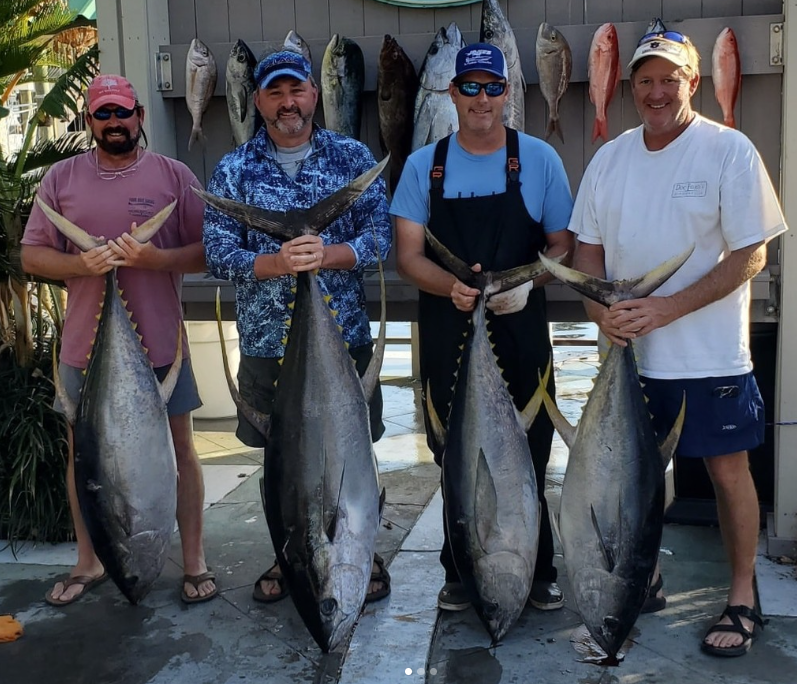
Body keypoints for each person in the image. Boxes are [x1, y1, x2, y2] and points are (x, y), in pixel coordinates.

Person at [568, 30, 786, 657]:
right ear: (631, 87)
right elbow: (588, 255)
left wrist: (666, 308)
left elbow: (752, 255)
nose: (657, 92)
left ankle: (742, 595)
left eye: (671, 79)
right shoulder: (610, 158)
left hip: (710, 356)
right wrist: (599, 314)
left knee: (726, 472)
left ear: (694, 82)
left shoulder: (729, 151)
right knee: (634, 478)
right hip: (631, 357)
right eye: (645, 81)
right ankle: (646, 576)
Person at [202, 50, 393, 604]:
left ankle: (363, 548)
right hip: (268, 342)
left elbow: (379, 240)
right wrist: (278, 263)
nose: (288, 103)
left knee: (357, 451)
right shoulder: (233, 169)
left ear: (314, 93)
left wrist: (327, 254)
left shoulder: (353, 157)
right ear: (258, 100)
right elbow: (217, 253)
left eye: (297, 90)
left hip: (344, 334)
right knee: (279, 457)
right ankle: (289, 553)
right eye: (275, 93)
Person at [390, 43, 574, 611]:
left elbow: (561, 246)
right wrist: (450, 287)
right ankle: (460, 566)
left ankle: (538, 568)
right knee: (455, 451)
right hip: (449, 330)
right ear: (453, 94)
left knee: (532, 450)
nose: (481, 99)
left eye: (492, 87)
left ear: (506, 94)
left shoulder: (540, 159)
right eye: (469, 87)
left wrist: (528, 285)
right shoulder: (425, 165)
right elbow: (408, 255)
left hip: (522, 329)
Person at [21, 74, 215, 604]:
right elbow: (32, 254)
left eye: (122, 113)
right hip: (85, 347)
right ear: (90, 121)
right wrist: (82, 263)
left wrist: (155, 259)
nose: (113, 123)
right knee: (81, 457)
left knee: (181, 449)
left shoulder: (173, 176)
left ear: (140, 117)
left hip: (161, 345)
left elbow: (206, 250)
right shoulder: (61, 179)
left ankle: (194, 561)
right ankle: (90, 562)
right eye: (102, 115)